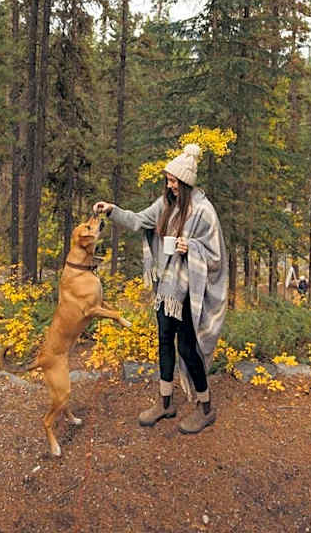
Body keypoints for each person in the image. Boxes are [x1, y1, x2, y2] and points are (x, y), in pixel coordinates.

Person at [93, 143, 228, 435]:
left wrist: (190, 247)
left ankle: (206, 408)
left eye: (173, 181)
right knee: (165, 342)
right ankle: (165, 402)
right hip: (166, 291)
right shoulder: (165, 205)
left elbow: (216, 256)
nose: (169, 185)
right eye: (167, 180)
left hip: (190, 295)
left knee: (188, 349)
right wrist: (112, 210)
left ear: (185, 182)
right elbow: (138, 220)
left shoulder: (204, 212)